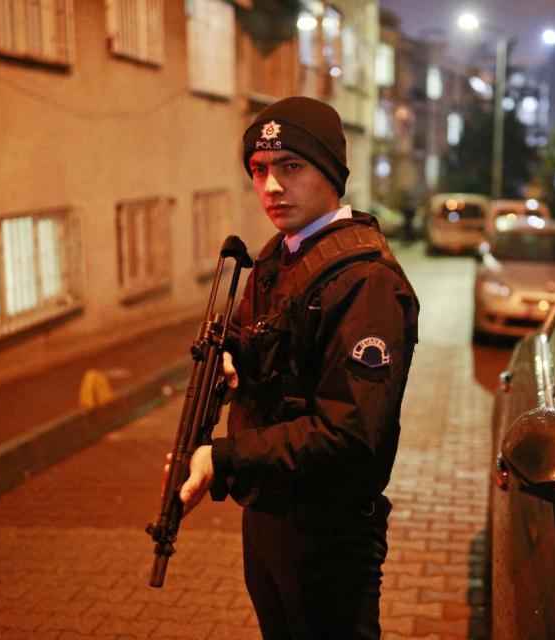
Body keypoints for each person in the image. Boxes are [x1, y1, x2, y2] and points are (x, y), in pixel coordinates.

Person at [177, 96, 419, 639]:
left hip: (327, 533)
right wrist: (234, 365)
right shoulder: (279, 255)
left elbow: (350, 434)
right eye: (260, 170)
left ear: (330, 173)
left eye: (291, 166)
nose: (272, 186)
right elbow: (254, 347)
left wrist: (224, 454)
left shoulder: (365, 282)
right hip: (269, 514)